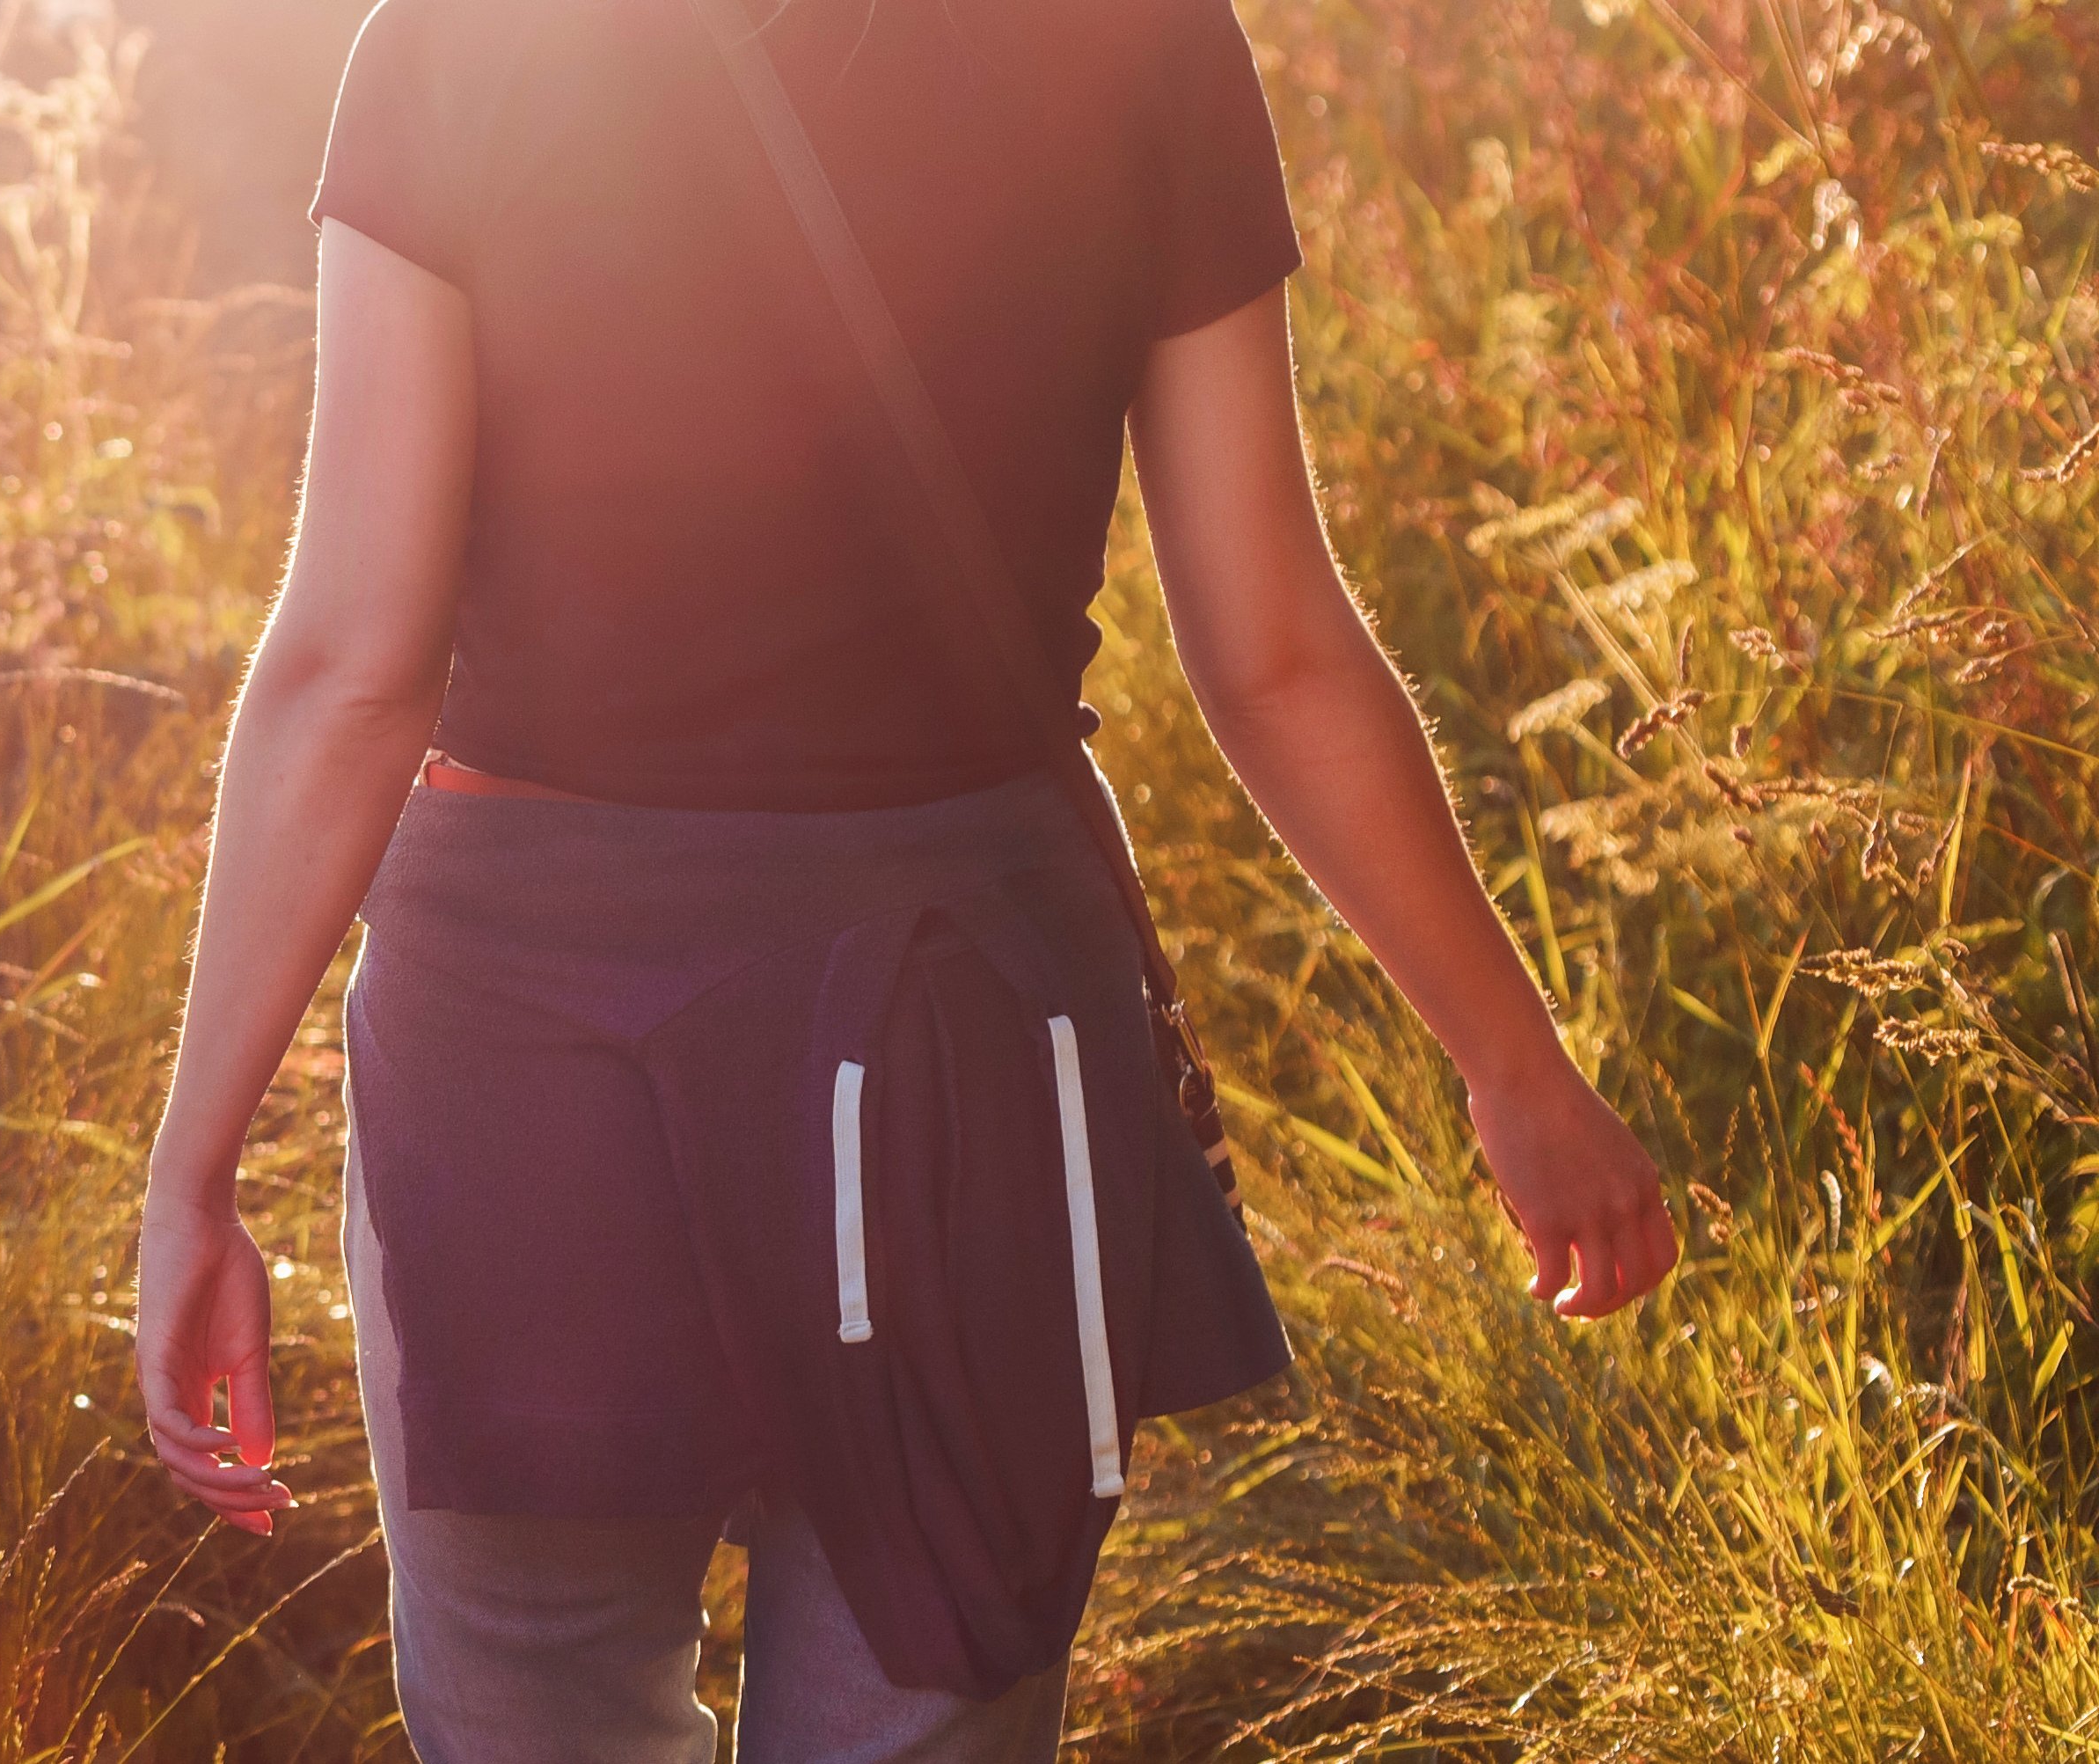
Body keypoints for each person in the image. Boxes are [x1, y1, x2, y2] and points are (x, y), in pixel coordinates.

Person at [124, 0, 1685, 1756]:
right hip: (967, 1028)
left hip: (536, 1060)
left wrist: (195, 1171)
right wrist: (1512, 1066)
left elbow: (352, 664)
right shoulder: (1139, 39)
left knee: (536, 1699)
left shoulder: (466, 36)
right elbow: (1272, 652)